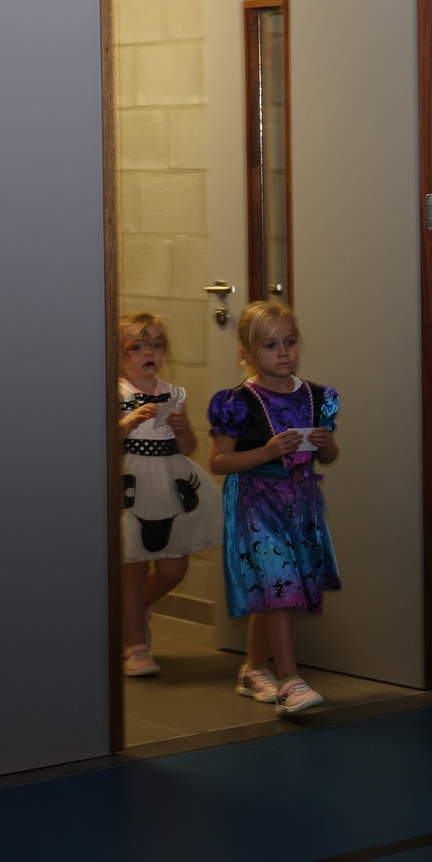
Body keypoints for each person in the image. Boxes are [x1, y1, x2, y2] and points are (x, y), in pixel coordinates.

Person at [206, 301, 340, 715]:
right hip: (255, 504)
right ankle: (290, 681)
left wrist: (326, 445)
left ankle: (253, 668)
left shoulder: (317, 396)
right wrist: (265, 452)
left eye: (290, 342)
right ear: (247, 353)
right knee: (281, 587)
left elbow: (330, 456)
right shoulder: (238, 402)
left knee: (279, 586)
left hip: (300, 505)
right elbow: (218, 461)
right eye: (270, 345)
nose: (283, 352)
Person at [117, 312, 220, 678]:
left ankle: (131, 612)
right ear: (119, 355)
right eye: (138, 347)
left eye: (157, 346)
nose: (150, 353)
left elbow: (189, 448)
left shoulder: (174, 393)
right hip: (131, 485)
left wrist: (182, 428)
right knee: (133, 568)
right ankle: (134, 646)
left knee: (174, 567)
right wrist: (128, 422)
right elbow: (105, 441)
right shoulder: (116, 393)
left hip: (168, 482)